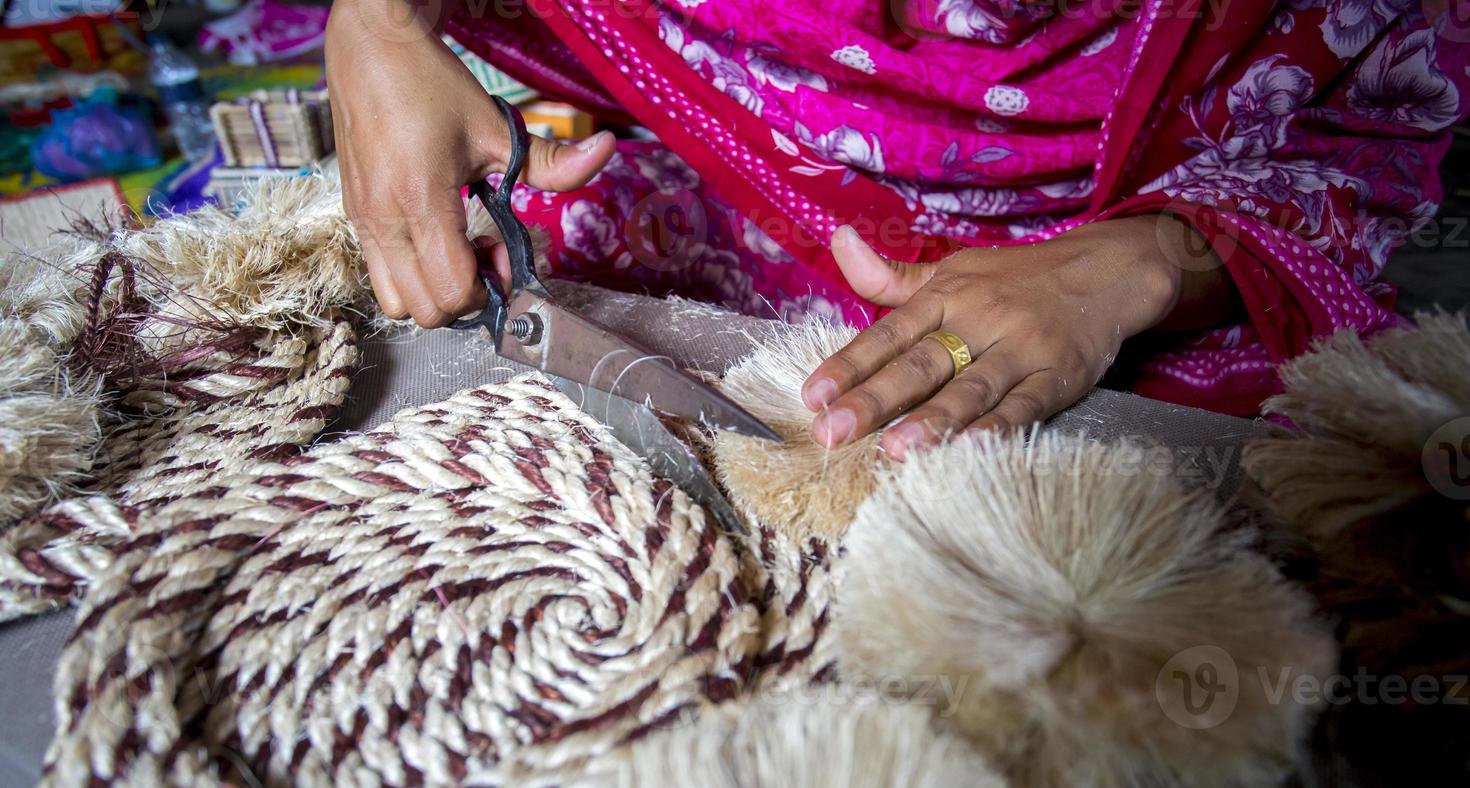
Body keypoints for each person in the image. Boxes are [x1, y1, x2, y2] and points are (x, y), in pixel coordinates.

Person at [326, 0, 1470, 458]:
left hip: (1136, 278)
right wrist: (375, 21)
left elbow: (1364, 129)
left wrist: (1145, 262)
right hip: (760, 175)